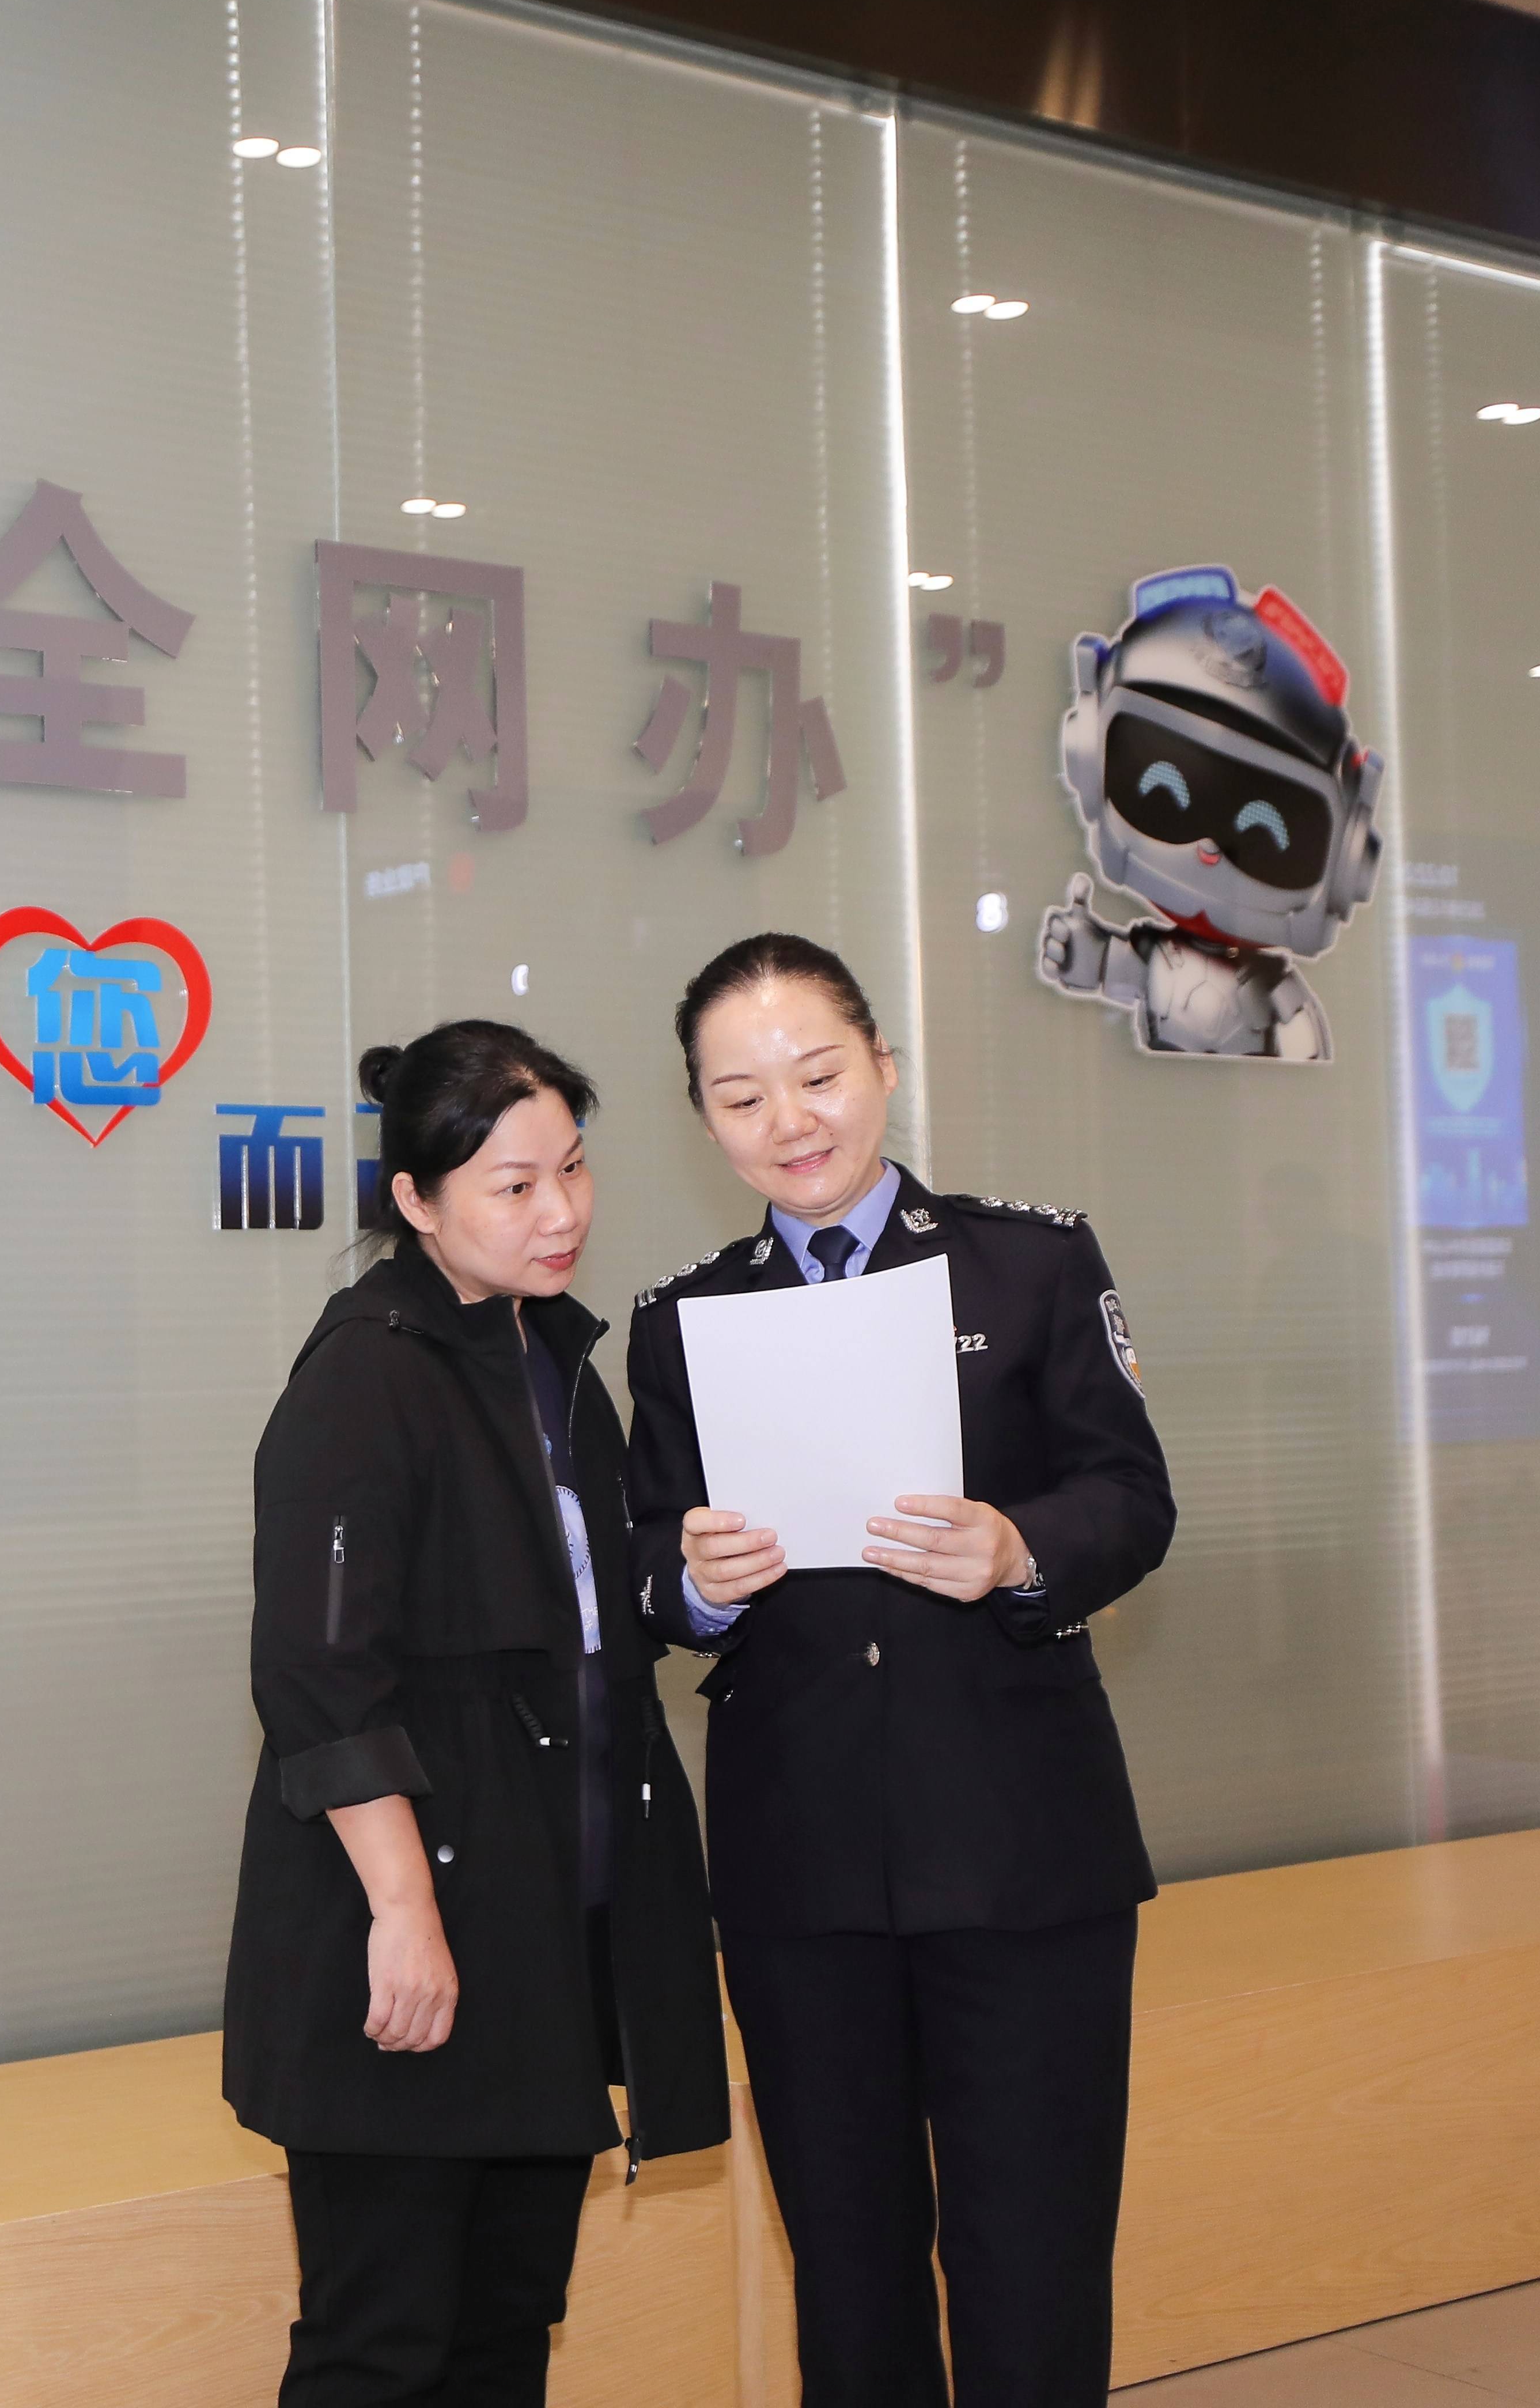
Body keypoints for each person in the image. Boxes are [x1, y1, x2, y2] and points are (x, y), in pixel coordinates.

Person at [625, 935, 1174, 2408]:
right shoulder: (682, 1318)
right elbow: (643, 1559)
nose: (790, 1120)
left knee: (1034, 2255)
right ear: (704, 1118)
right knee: (850, 2267)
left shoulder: (1031, 1260)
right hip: (801, 1863)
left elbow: (1133, 1498)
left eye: (818, 1075)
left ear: (882, 1063)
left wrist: (1018, 1545)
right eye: (743, 1096)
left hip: (1022, 1845)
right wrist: (695, 1581)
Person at [224, 1020, 730, 2408]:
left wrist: (694, 1575)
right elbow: (321, 1673)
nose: (560, 1210)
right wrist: (404, 1908)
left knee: (508, 2324)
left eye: (572, 1167)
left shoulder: (552, 1356)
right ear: (417, 1199)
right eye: (514, 1185)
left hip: (541, 1925)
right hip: (408, 1931)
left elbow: (589, 1627)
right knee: (382, 2343)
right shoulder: (366, 1373)